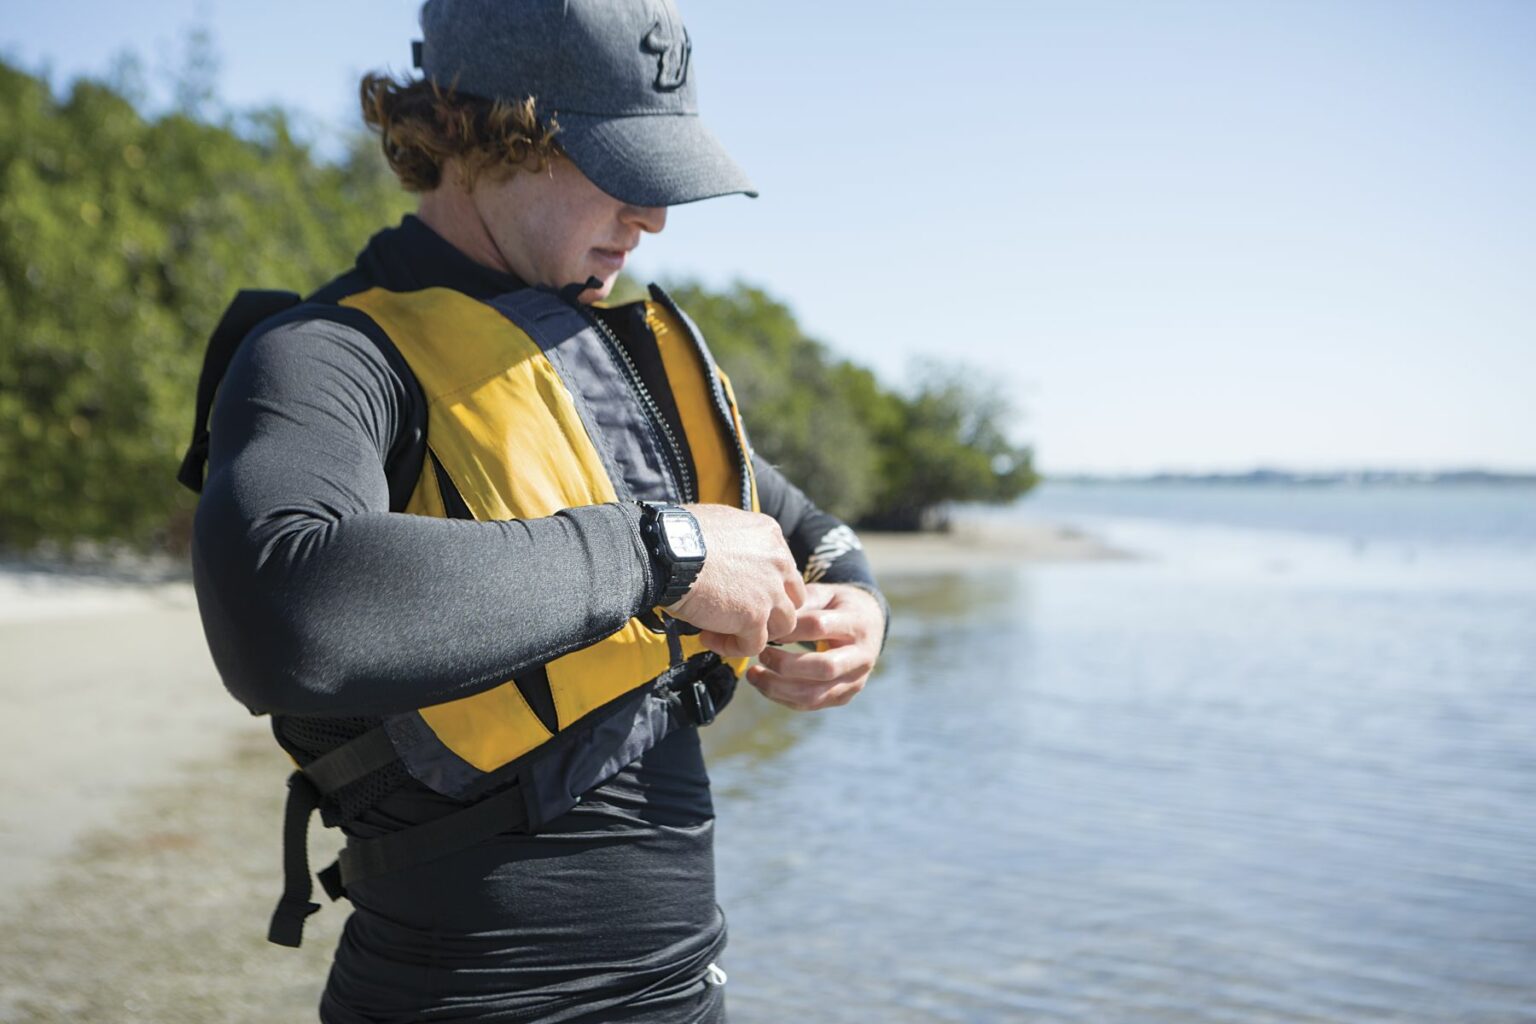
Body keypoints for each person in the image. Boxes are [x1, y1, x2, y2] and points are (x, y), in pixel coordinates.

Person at [180, 1, 887, 1022]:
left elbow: (811, 533)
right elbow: (284, 607)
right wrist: (665, 552)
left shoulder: (606, 366)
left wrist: (861, 607)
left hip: (682, 991)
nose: (651, 221)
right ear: (475, 129)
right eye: (620, 170)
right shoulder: (329, 354)